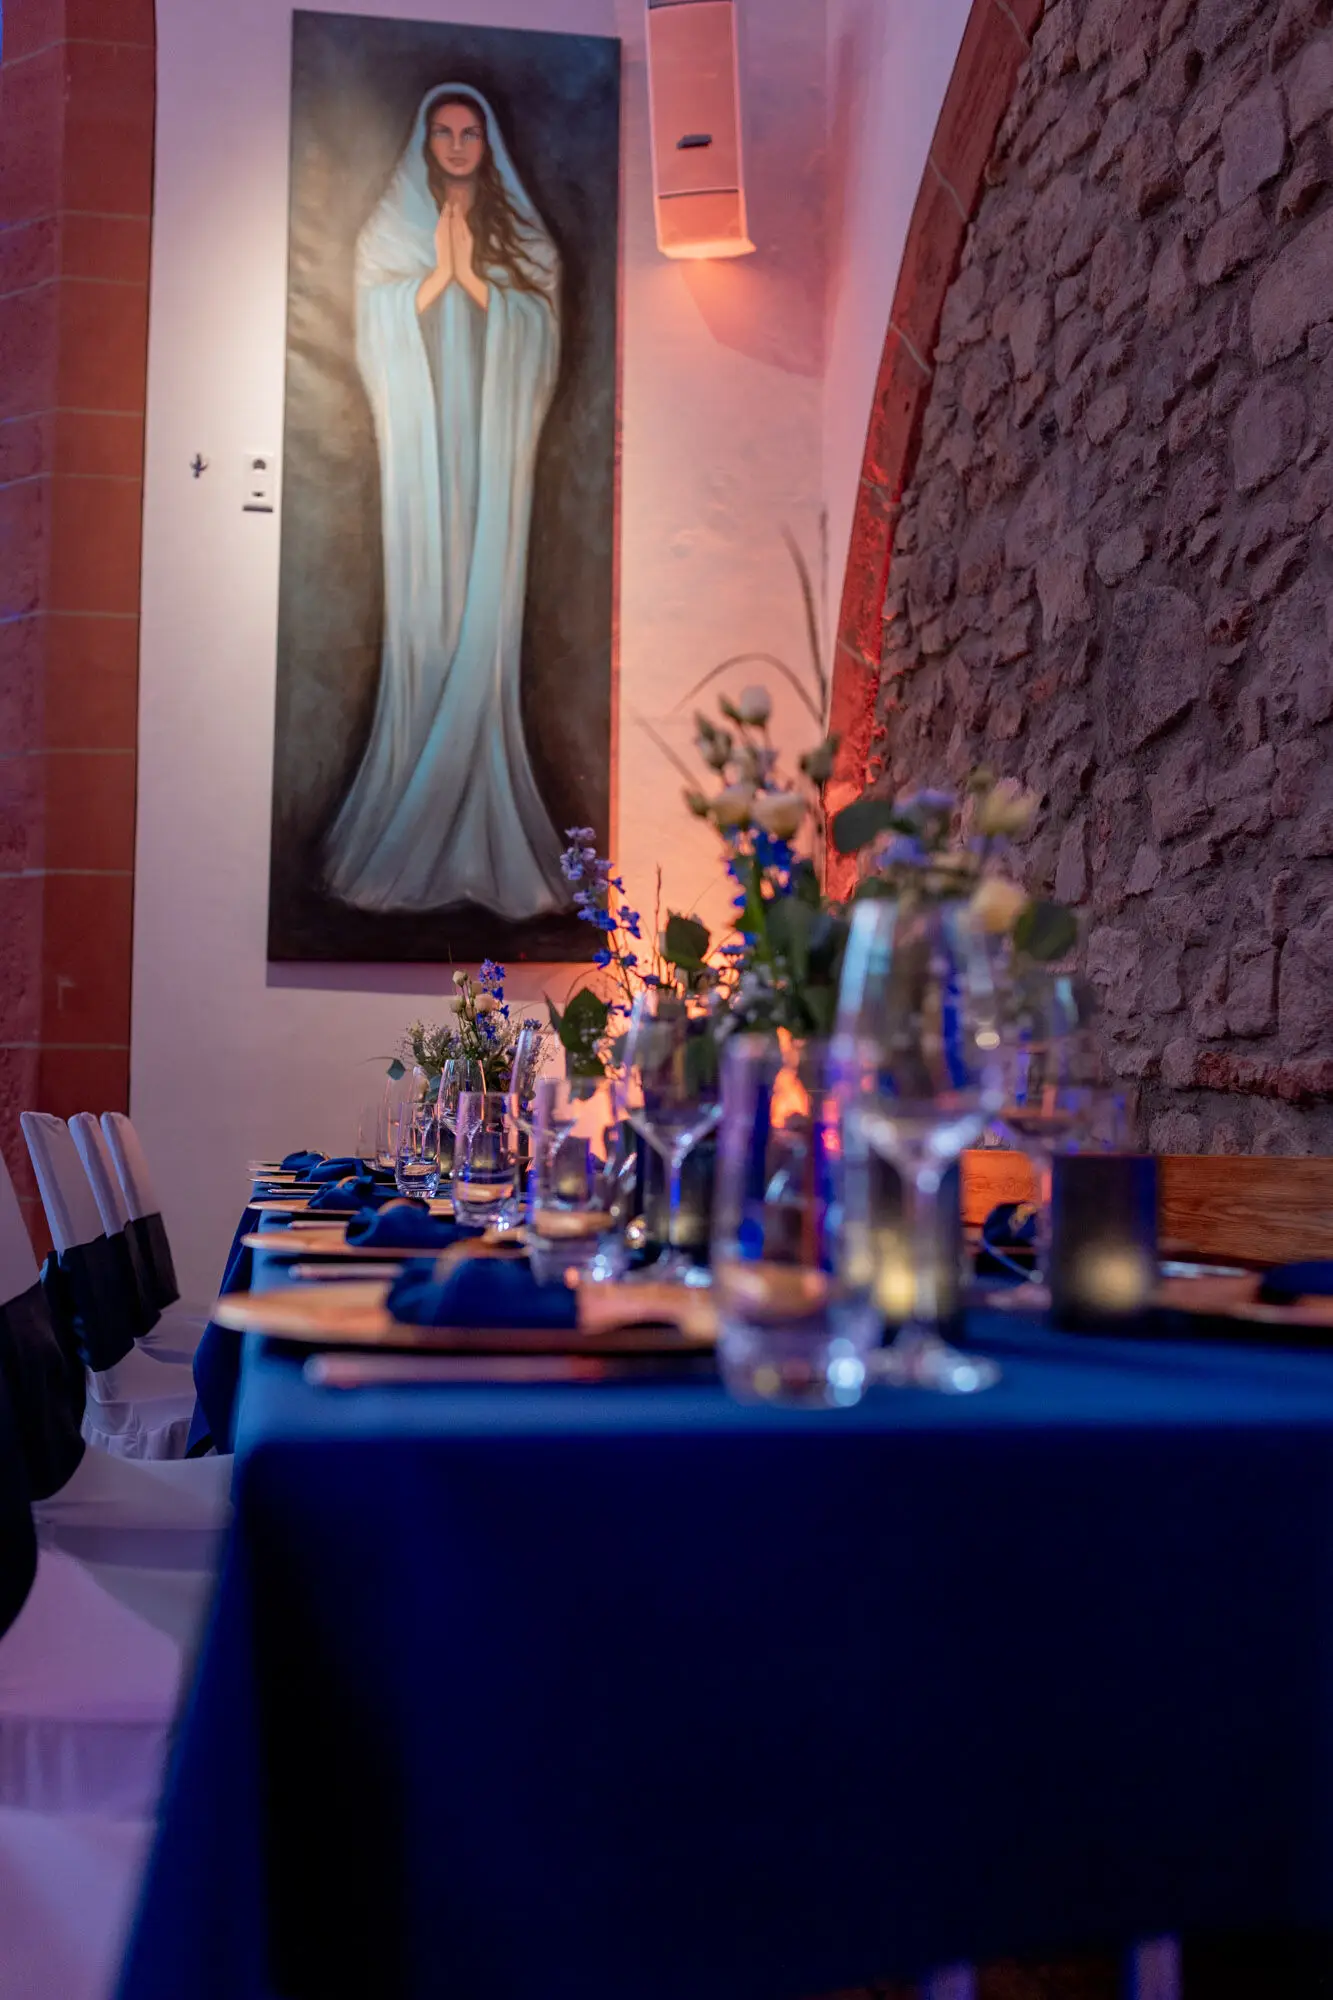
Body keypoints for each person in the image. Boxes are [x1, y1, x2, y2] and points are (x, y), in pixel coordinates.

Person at [325, 86, 568, 921]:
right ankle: (409, 810)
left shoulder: (522, 231)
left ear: (486, 141)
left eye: (470, 133)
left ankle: (480, 810)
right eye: (444, 133)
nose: (458, 145)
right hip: (424, 465)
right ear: (426, 140)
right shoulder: (392, 226)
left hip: (491, 452)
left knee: (481, 609)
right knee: (426, 614)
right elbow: (374, 323)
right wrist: (436, 276)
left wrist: (477, 281)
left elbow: (539, 327)